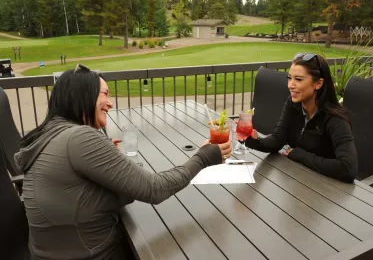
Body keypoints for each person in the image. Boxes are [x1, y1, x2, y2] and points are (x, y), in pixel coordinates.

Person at [14, 64, 232, 260]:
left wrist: (112, 162)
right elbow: (152, 189)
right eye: (105, 94)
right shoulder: (78, 138)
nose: (110, 103)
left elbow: (119, 192)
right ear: (82, 96)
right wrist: (203, 157)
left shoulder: (52, 135)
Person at [246, 52, 357, 183]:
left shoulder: (335, 119)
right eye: (289, 78)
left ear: (318, 83)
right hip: (299, 181)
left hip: (328, 190)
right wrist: (252, 140)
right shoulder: (293, 105)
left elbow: (348, 168)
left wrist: (301, 155)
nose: (290, 85)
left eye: (298, 79)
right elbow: (277, 140)